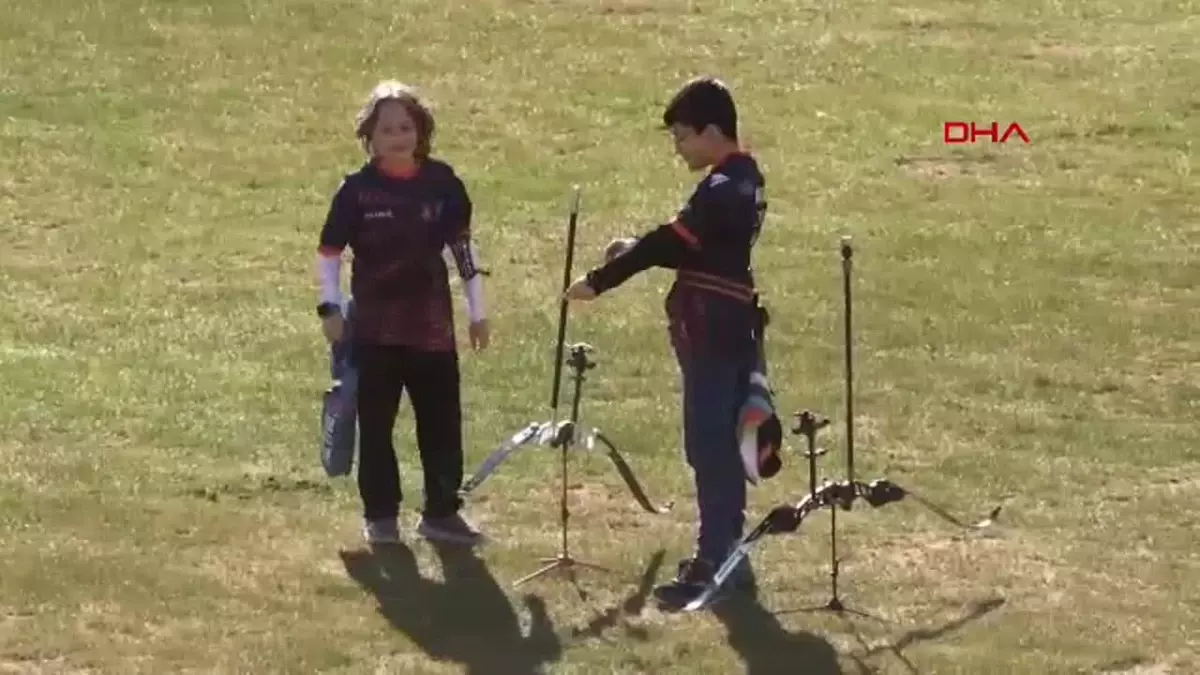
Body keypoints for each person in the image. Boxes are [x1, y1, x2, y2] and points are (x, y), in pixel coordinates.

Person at [564, 76, 771, 608]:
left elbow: (672, 242)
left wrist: (600, 280)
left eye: (682, 136)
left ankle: (716, 561)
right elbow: (692, 246)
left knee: (709, 444)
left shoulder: (723, 187)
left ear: (710, 131)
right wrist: (637, 246)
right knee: (718, 442)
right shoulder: (741, 180)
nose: (678, 148)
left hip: (714, 330)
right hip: (727, 325)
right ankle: (728, 555)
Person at [315, 80, 489, 547]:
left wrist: (478, 311)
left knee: (442, 426)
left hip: (433, 330)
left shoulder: (443, 184)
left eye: (406, 127)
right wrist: (329, 307)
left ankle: (441, 514)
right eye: (387, 129)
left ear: (421, 131)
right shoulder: (356, 192)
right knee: (375, 427)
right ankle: (380, 517)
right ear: (370, 136)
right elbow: (329, 254)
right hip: (373, 332)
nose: (398, 137)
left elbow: (463, 251)